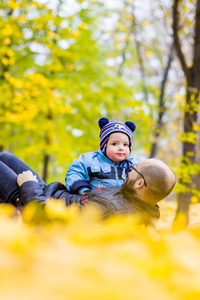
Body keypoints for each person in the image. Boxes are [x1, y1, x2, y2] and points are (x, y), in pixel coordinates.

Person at [0, 152, 176, 224]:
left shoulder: (110, 208)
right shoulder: (138, 200)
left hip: (31, 202)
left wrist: (28, 185)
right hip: (46, 193)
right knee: (6, 157)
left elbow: (49, 218)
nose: (128, 170)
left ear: (140, 183)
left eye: (133, 169)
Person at [65, 118, 139, 195]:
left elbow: (146, 177)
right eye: (114, 144)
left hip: (126, 203)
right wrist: (83, 190)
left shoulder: (135, 165)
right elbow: (74, 173)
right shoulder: (89, 160)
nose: (121, 148)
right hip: (96, 201)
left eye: (125, 145)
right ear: (104, 146)